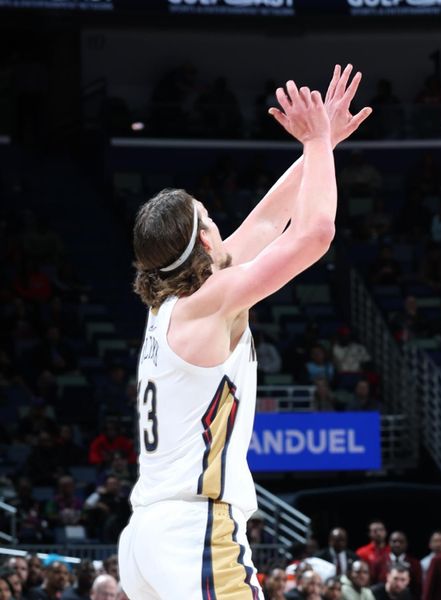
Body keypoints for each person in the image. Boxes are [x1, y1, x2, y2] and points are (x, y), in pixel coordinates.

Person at [118, 65, 371, 600]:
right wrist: (318, 140)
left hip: (146, 536)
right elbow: (314, 233)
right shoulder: (210, 301)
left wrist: (321, 147)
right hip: (194, 531)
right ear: (204, 245)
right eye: (209, 219)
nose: (220, 226)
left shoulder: (169, 302)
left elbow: (262, 225)